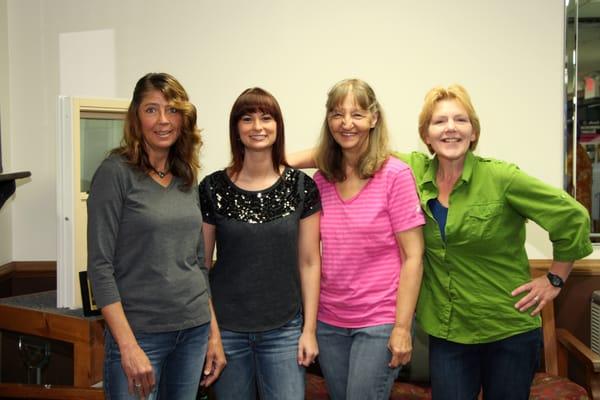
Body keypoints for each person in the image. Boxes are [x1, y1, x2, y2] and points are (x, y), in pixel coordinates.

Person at [396, 85, 593, 400]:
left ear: (473, 132)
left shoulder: (502, 178)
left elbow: (573, 216)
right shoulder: (412, 171)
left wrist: (556, 277)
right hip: (448, 333)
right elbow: (358, 148)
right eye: (439, 121)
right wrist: (285, 159)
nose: (450, 128)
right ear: (426, 134)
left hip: (507, 330)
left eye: (460, 120)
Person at [87, 72, 225, 400]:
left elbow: (196, 263)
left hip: (192, 330)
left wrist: (213, 333)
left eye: (172, 110)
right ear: (136, 117)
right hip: (140, 335)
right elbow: (100, 267)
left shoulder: (185, 175)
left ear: (184, 119)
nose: (163, 120)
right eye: (151, 110)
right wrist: (127, 345)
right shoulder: (115, 173)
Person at [199, 87, 321, 400]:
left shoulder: (301, 187)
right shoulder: (212, 188)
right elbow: (200, 266)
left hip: (284, 330)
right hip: (227, 332)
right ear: (236, 129)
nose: (257, 126)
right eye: (247, 118)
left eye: (266, 118)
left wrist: (308, 330)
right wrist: (212, 334)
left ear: (278, 126)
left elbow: (309, 262)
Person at [311, 79, 425, 400]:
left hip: (379, 322)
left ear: (374, 118)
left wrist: (402, 328)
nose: (346, 123)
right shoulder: (321, 179)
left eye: (357, 114)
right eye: (337, 114)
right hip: (329, 321)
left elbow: (413, 256)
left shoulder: (395, 175)